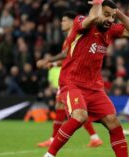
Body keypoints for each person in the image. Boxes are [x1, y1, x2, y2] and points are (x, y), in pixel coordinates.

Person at [38, 0, 129, 157]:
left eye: (112, 16)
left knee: (113, 122)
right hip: (72, 82)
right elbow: (92, 18)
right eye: (106, 15)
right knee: (80, 115)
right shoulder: (81, 23)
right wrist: (97, 4)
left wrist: (117, 13)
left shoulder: (109, 30)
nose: (110, 20)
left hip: (94, 87)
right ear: (96, 11)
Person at [36, 11, 103, 148]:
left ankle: (53, 139)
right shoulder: (69, 38)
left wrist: (49, 60)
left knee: (74, 111)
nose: (62, 23)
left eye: (65, 20)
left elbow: (66, 55)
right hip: (71, 77)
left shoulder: (75, 36)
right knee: (66, 108)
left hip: (71, 79)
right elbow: (69, 59)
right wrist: (54, 64)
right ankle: (93, 137)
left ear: (73, 22)